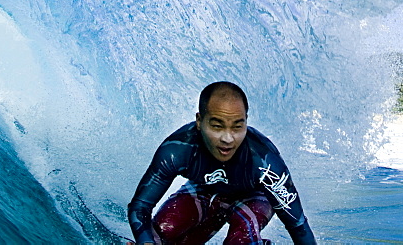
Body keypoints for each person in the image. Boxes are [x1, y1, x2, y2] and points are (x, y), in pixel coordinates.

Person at [128, 81, 317, 245]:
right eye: (217, 126)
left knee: (240, 240)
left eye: (237, 126)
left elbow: (298, 225)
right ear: (199, 121)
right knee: (161, 233)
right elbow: (140, 206)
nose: (228, 139)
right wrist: (145, 242)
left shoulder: (264, 162)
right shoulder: (178, 150)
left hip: (253, 196)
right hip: (205, 191)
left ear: (246, 122)